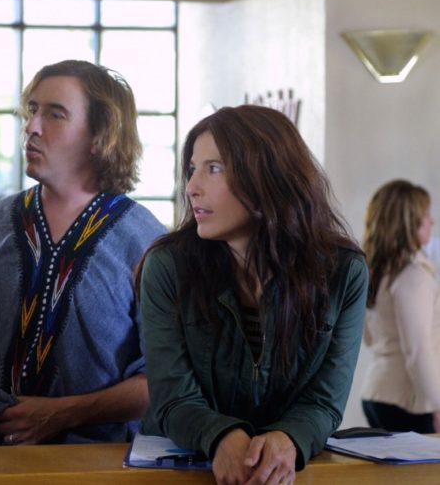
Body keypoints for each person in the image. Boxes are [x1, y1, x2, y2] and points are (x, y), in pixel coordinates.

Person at [0, 59, 166, 447]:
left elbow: (163, 381)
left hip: (90, 467)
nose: (32, 126)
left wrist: (62, 413)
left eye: (55, 114)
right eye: (32, 110)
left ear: (99, 135)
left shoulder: (144, 239)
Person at [138, 105, 368, 484]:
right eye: (192, 169)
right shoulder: (167, 266)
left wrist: (288, 438)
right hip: (181, 472)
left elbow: (324, 401)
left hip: (285, 474)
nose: (192, 186)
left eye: (214, 168)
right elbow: (172, 396)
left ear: (268, 176)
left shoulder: (343, 273)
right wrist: (221, 436)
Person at [360, 180, 440, 433]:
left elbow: (370, 338)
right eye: (425, 215)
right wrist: (437, 404)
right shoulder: (413, 276)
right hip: (408, 401)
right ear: (409, 221)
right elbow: (418, 350)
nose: (431, 221)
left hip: (378, 394)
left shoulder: (376, 273)